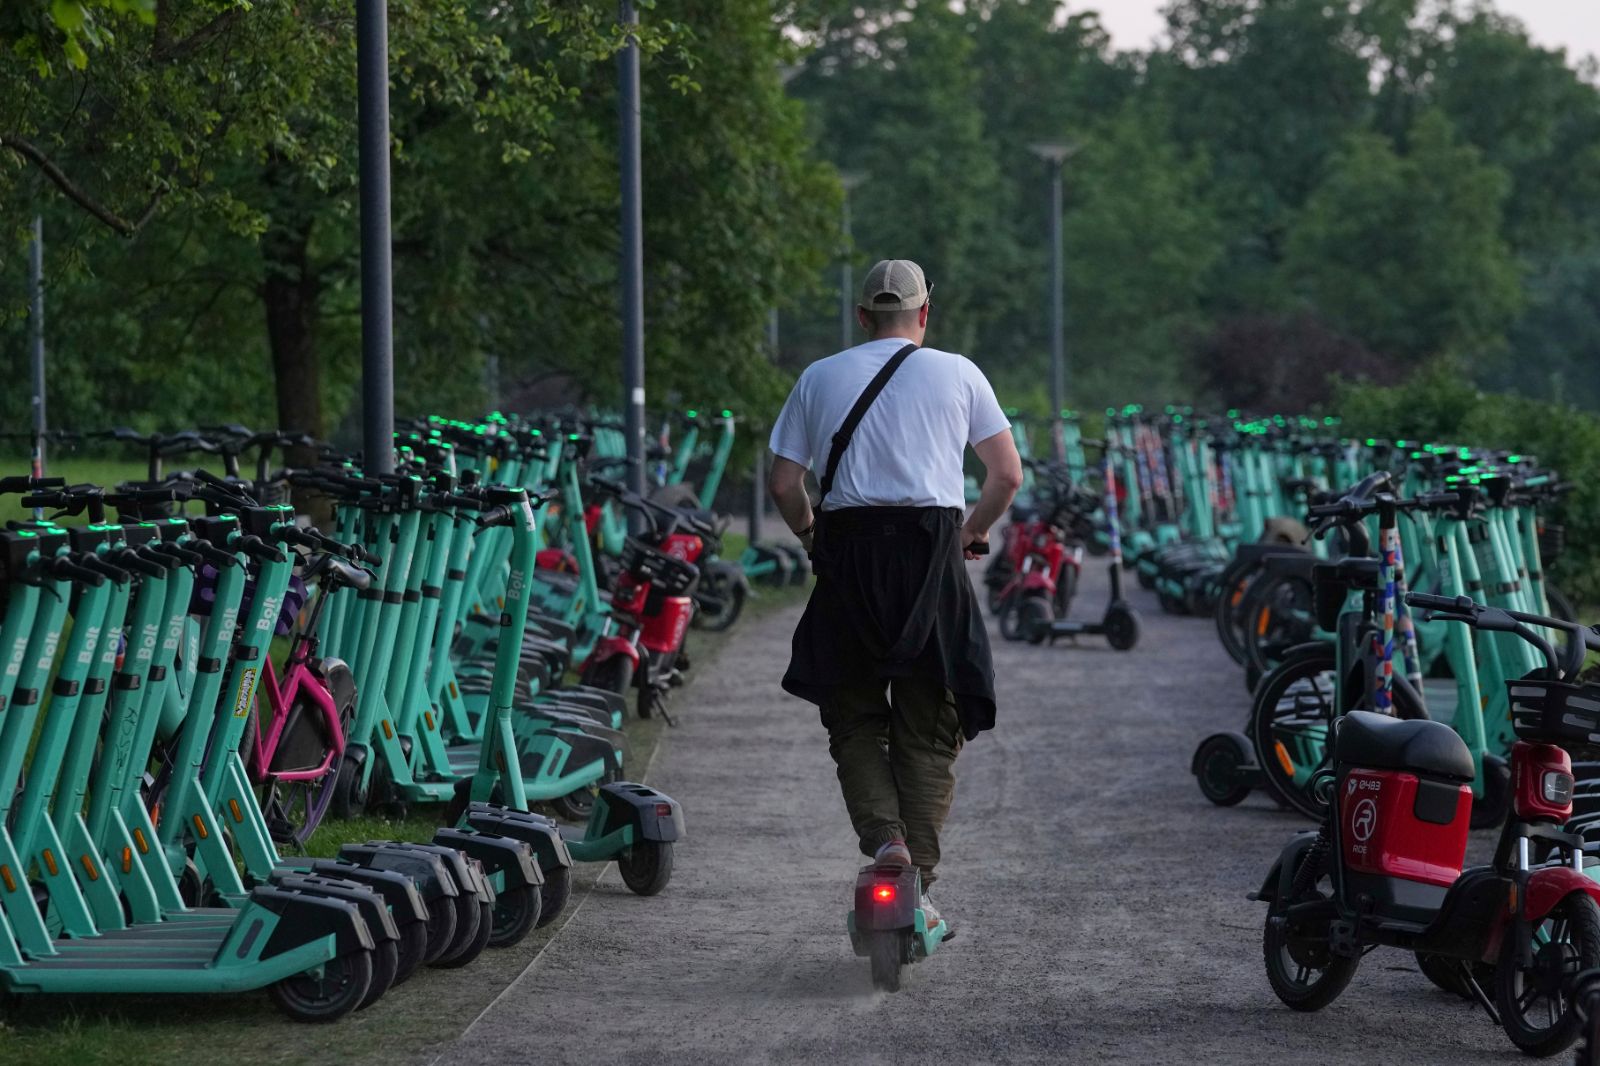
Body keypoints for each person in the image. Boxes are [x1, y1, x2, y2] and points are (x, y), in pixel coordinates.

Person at [767, 258, 1023, 929]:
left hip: (848, 559)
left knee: (852, 716)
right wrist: (974, 531)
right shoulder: (960, 373)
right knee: (930, 726)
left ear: (861, 317)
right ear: (924, 315)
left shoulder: (819, 377)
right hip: (930, 560)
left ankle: (887, 843)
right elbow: (1006, 474)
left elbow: (784, 484)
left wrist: (810, 537)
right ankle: (918, 888)